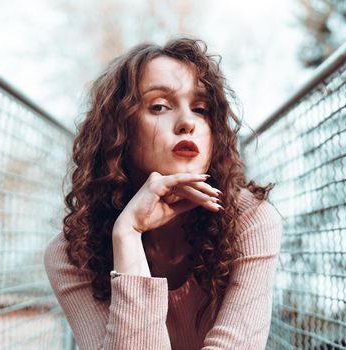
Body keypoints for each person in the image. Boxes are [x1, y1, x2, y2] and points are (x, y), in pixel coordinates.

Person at [44, 37, 282, 350]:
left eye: (201, 109)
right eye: (159, 106)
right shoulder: (72, 252)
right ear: (119, 131)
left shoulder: (250, 220)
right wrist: (128, 235)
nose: (187, 123)